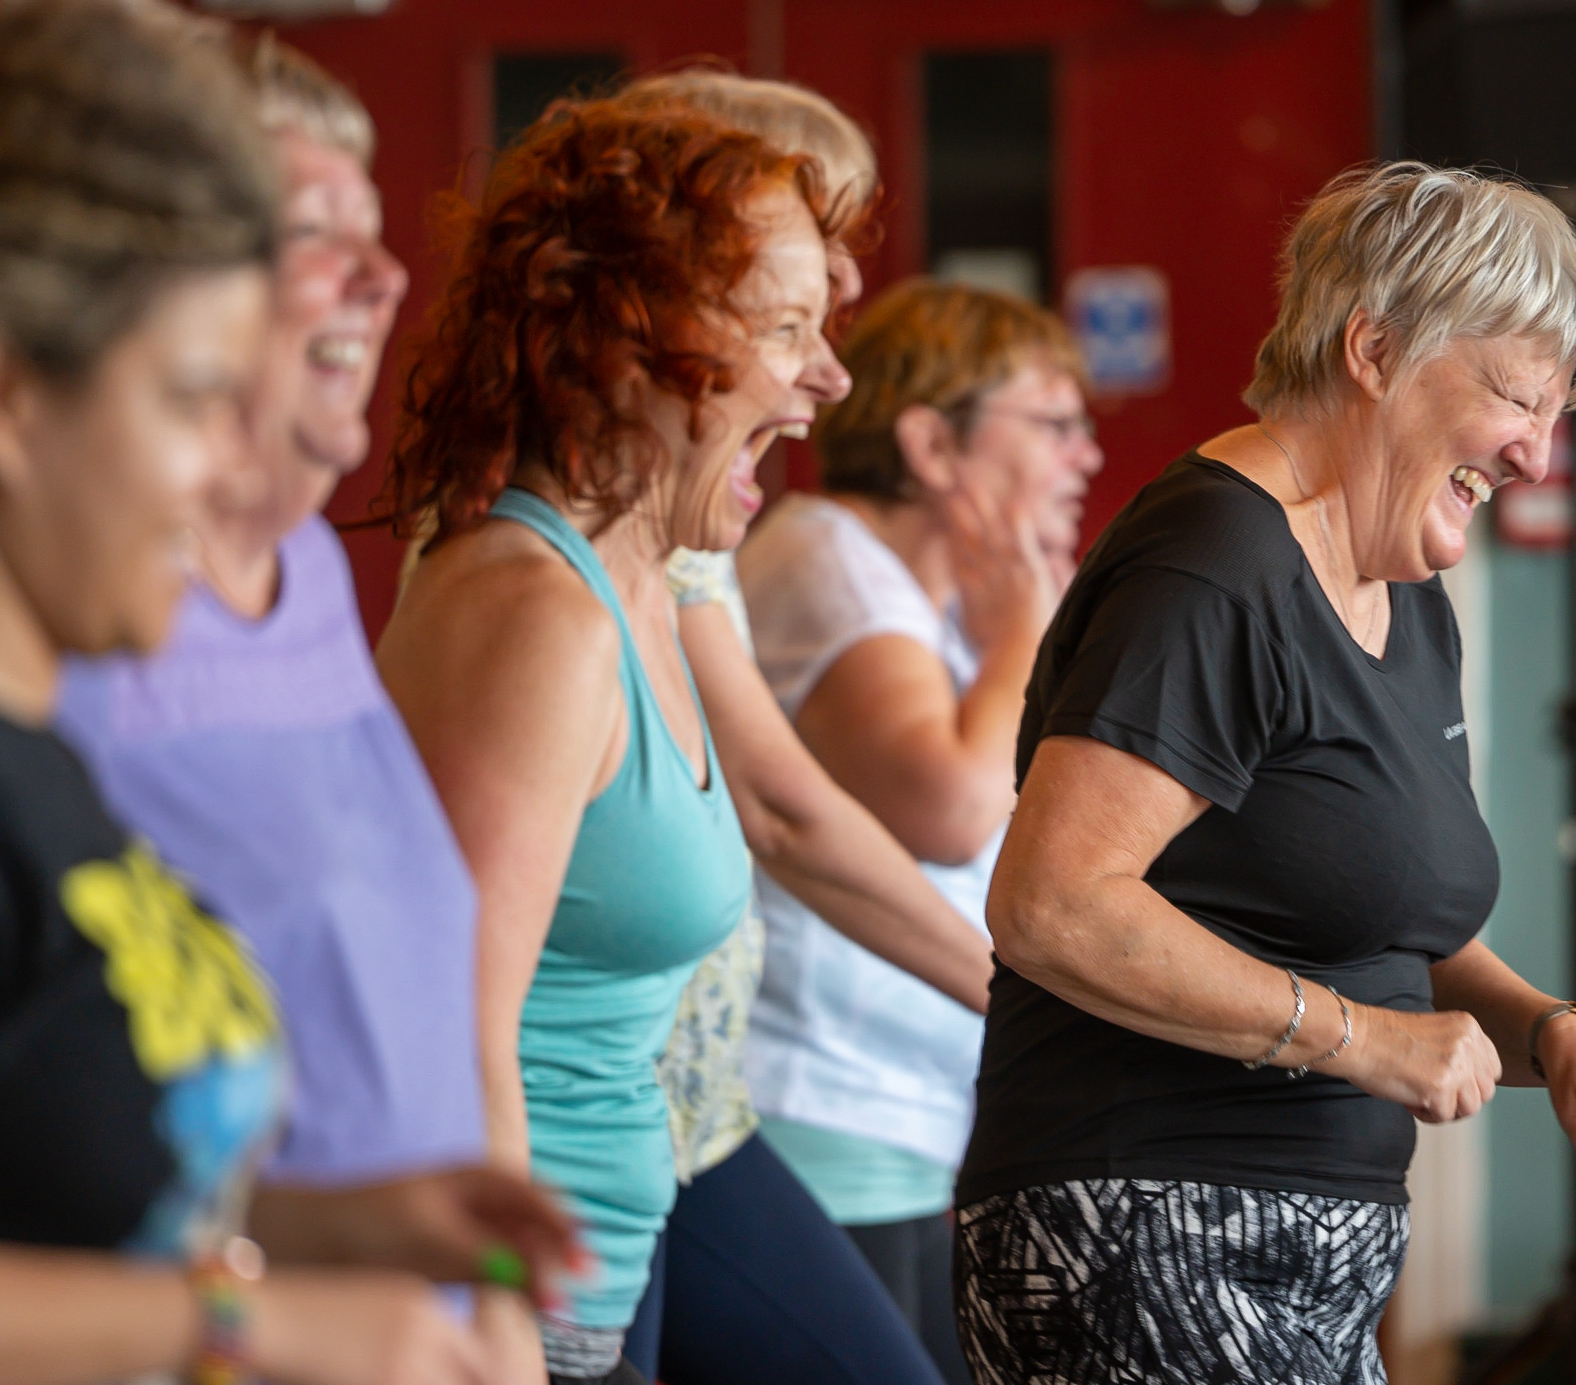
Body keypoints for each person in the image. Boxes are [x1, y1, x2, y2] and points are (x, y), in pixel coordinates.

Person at [956, 162, 1576, 1385]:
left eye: (1555, 417)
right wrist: (1366, 1042)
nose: (1536, 457)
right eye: (1516, 397)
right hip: (1144, 1230)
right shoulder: (1216, 564)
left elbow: (1363, 908)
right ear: (1375, 348)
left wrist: (1556, 1034)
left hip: (1295, 1256)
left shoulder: (1406, 595)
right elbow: (1052, 902)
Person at [54, 29, 581, 1368]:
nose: (386, 272)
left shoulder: (301, 565)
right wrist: (250, 1315)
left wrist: (420, 1272)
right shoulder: (59, 656)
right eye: (311, 231)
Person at [375, 97, 848, 1385]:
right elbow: (449, 1030)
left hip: (608, 1260)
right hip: (525, 1298)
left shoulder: (646, 586)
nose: (828, 377)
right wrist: (496, 1333)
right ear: (638, 336)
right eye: (788, 328)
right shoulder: (536, 614)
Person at [611, 70, 995, 1385]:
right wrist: (1032, 1000)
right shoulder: (599, 541)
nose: (842, 288)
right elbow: (795, 809)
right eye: (810, 238)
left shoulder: (694, 530)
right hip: (620, 1119)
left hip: (700, 1114)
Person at [735, 277, 1101, 1384]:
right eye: (1053, 423)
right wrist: (1024, 634)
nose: (1084, 455)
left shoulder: (915, 592)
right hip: (815, 1108)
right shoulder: (825, 555)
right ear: (932, 444)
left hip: (894, 1118)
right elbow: (946, 806)